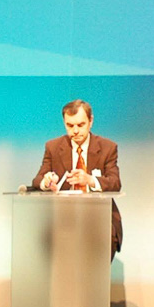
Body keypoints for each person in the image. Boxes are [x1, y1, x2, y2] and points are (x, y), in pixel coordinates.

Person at [31, 99, 122, 258]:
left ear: (90, 121)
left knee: (105, 236)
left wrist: (90, 180)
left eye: (80, 125)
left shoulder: (108, 148)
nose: (75, 131)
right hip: (63, 216)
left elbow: (115, 183)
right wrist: (46, 182)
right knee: (45, 236)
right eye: (70, 125)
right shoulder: (53, 147)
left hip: (97, 215)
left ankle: (94, 281)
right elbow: (37, 180)